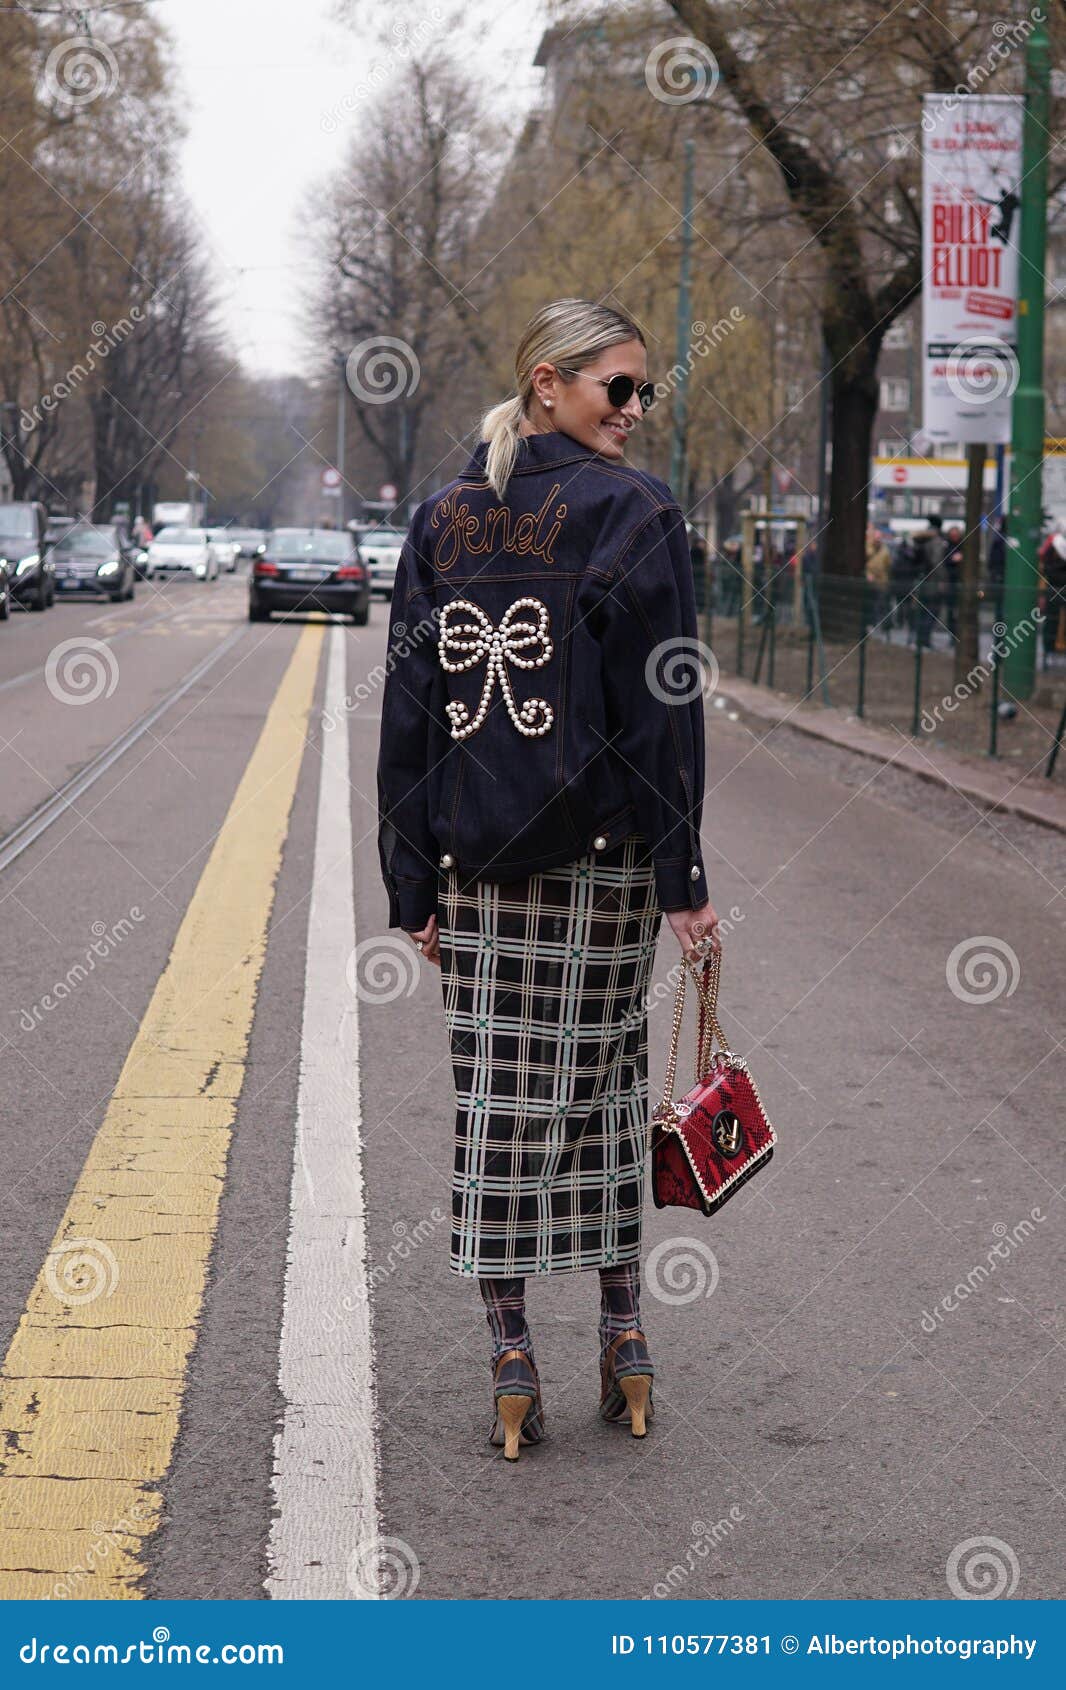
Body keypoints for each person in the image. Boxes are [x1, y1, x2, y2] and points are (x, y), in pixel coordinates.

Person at [376, 298, 720, 1463]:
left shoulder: (441, 521)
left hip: (477, 866)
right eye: (615, 388)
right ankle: (624, 1337)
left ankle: (510, 1351)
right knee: (605, 1089)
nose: (632, 410)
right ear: (546, 385)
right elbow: (664, 711)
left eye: (641, 392)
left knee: (499, 1104)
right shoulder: (637, 513)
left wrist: (409, 877)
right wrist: (685, 877)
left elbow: (410, 716)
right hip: (606, 865)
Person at [864, 524, 893, 631]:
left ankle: (884, 626)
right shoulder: (868, 548)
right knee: (870, 604)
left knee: (882, 604)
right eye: (876, 536)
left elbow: (888, 565)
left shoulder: (885, 550)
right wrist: (868, 574)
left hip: (882, 582)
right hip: (869, 582)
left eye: (879, 536)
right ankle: (871, 623)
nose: (878, 538)